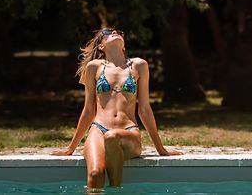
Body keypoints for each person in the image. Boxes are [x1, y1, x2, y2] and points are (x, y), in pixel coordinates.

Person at [51, 27, 181, 189]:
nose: (114, 33)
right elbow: (88, 110)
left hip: (128, 131)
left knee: (112, 137)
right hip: (98, 129)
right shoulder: (94, 67)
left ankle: (115, 189)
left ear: (124, 45)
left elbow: (145, 109)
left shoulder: (139, 65)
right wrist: (71, 148)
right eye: (107, 33)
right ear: (101, 46)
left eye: (118, 32)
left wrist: (160, 148)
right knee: (95, 174)